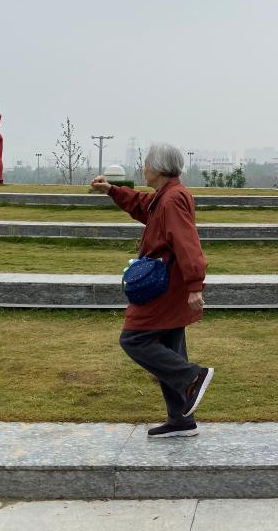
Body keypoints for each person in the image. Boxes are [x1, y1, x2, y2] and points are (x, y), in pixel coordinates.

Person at [91, 142, 214, 438]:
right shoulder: (165, 196)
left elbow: (187, 242)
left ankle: (192, 377)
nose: (143, 167)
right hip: (169, 284)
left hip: (164, 287)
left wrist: (195, 286)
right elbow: (141, 204)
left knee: (134, 338)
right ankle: (181, 420)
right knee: (169, 345)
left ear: (158, 167)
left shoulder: (172, 200)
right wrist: (111, 190)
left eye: (146, 163)